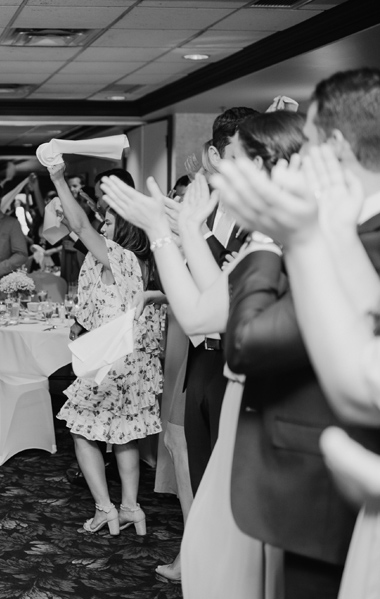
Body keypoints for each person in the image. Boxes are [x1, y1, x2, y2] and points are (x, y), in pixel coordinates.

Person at [103, 108, 305, 596]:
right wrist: (180, 231)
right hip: (231, 377)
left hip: (270, 398)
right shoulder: (265, 233)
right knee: (222, 518)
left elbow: (209, 311)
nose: (228, 174)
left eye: (245, 160)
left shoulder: (291, 236)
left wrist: (172, 232)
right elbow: (203, 307)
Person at [212, 67, 380, 599]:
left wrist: (286, 238)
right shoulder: (344, 225)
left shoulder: (362, 235)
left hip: (327, 491)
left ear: (331, 145)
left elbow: (360, 386)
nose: (299, 155)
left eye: (306, 140)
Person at [47, 161, 162, 537]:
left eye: (109, 223)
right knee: (124, 434)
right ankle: (132, 508)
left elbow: (80, 226)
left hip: (110, 360)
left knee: (81, 431)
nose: (102, 228)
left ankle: (105, 509)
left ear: (124, 228)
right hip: (136, 361)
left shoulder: (117, 257)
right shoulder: (145, 262)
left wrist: (58, 178)